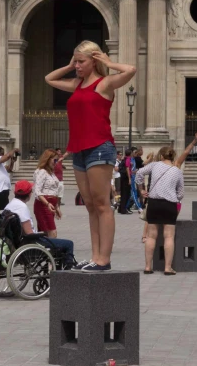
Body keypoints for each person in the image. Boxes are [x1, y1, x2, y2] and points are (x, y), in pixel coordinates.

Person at [45, 40, 135, 272]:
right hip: (78, 150)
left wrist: (108, 62)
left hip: (99, 147)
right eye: (75, 61)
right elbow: (49, 79)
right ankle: (95, 256)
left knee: (102, 204)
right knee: (90, 206)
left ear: (93, 61)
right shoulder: (76, 84)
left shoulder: (105, 84)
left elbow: (131, 70)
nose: (77, 66)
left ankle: (104, 259)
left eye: (80, 61)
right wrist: (68, 65)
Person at [136, 147, 184, 275]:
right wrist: (175, 197)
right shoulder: (177, 171)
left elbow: (139, 173)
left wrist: (141, 190)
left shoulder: (154, 165)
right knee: (169, 236)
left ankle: (147, 267)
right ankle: (167, 268)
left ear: (161, 156)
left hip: (154, 203)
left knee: (151, 236)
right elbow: (180, 193)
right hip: (169, 204)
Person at [4, 180, 75, 268]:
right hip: (28, 244)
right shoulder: (22, 207)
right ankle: (68, 271)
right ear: (29, 194)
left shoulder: (10, 205)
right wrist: (42, 234)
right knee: (68, 244)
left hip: (17, 242)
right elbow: (29, 233)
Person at [33, 149, 62, 238]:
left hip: (50, 205)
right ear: (48, 159)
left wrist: (56, 206)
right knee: (52, 233)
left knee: (45, 234)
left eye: (57, 160)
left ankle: (45, 251)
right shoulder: (42, 172)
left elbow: (54, 191)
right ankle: (52, 251)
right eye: (54, 160)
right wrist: (47, 203)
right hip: (43, 205)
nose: (56, 162)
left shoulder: (51, 173)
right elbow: (37, 191)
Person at [0, 146, 18, 211]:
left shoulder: (0, 164)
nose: (2, 155)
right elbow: (7, 156)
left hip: (3, 189)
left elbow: (9, 169)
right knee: (2, 210)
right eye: (1, 154)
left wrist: (12, 162)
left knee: (1, 210)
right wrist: (14, 150)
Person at [118, 149, 134, 215]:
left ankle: (120, 208)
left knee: (124, 193)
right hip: (126, 178)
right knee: (126, 194)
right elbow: (127, 168)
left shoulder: (124, 159)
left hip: (123, 177)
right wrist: (129, 179)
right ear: (130, 153)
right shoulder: (128, 159)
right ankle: (123, 210)